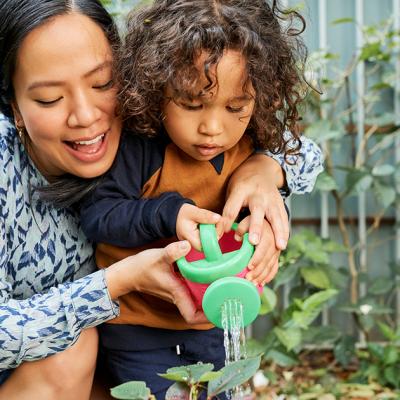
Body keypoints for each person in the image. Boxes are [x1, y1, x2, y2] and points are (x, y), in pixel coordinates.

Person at [0, 1, 323, 399]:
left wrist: (264, 176)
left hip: (194, 329)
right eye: (50, 98)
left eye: (102, 83)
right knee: (75, 352)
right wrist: (121, 279)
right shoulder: (136, 149)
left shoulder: (159, 127)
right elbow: (106, 214)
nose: (85, 116)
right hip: (94, 349)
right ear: (12, 104)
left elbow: (301, 153)